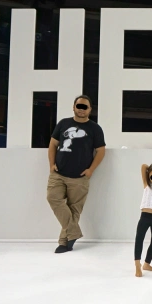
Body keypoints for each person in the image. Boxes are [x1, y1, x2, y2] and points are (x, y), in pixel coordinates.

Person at [47, 94, 106, 254]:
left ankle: (64, 243)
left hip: (80, 177)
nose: (81, 109)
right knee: (53, 199)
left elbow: (100, 151)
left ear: (90, 110)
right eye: (78, 106)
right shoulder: (63, 124)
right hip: (58, 174)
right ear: (73, 107)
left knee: (74, 209)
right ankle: (74, 233)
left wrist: (90, 170)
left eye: (84, 107)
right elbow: (53, 144)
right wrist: (51, 164)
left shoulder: (95, 128)